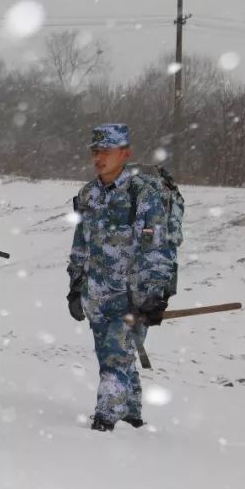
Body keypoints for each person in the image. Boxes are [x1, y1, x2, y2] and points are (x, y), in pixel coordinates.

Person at [67, 124, 175, 431]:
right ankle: (132, 415)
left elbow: (157, 248)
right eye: (95, 151)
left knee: (116, 355)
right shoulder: (88, 194)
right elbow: (80, 243)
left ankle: (105, 420)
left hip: (133, 297)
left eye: (107, 151)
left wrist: (154, 296)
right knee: (111, 356)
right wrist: (75, 286)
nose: (99, 158)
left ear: (125, 154)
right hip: (96, 294)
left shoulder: (143, 194)